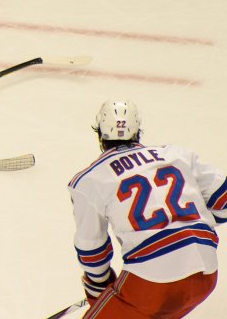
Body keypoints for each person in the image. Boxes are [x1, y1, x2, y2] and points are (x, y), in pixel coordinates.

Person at [68, 99, 226, 318]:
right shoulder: (176, 154)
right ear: (138, 131)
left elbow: (92, 251)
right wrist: (196, 226)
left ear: (100, 133)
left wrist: (99, 291)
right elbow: (224, 200)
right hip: (206, 276)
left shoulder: (88, 180)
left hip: (150, 286)